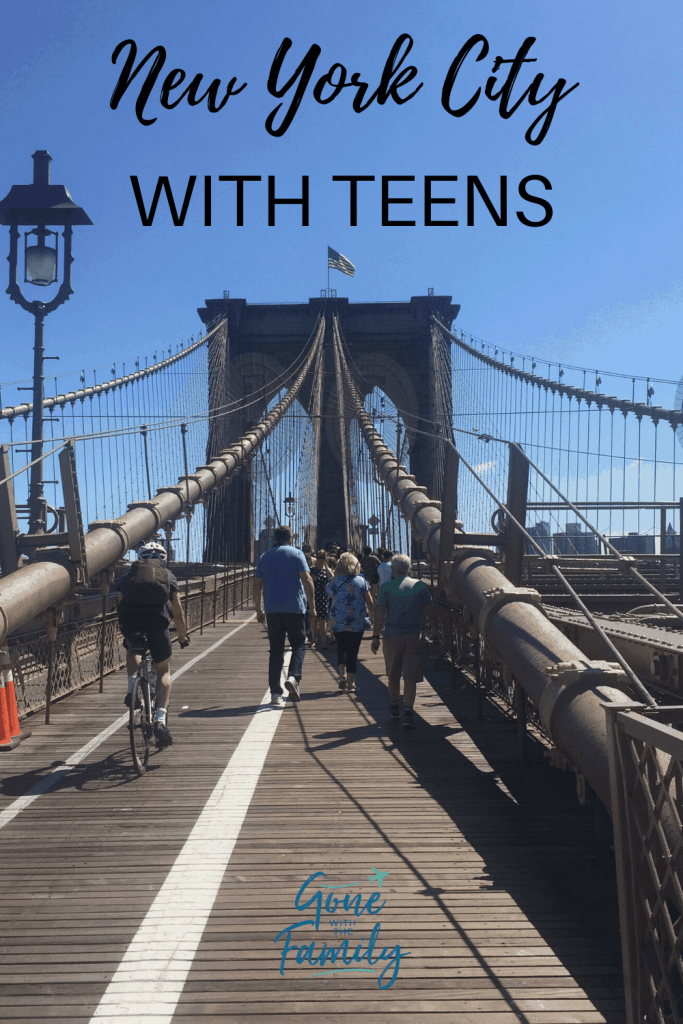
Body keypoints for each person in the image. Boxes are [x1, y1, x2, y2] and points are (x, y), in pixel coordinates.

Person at [117, 541, 190, 749]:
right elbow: (177, 611)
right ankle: (159, 720)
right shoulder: (168, 576)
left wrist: (127, 628)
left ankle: (132, 688)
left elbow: (120, 603)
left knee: (133, 648)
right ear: (164, 559)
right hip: (157, 623)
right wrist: (183, 638)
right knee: (163, 671)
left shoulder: (129, 575)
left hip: (132, 621)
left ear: (140, 558)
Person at [253, 525, 316, 706]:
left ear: (274, 538)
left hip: (273, 610)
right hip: (295, 609)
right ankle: (294, 677)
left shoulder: (265, 556)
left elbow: (257, 584)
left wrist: (259, 609)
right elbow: (307, 580)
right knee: (298, 644)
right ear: (291, 538)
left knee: (276, 651)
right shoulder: (297, 554)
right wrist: (313, 608)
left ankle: (275, 693)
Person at [371, 552, 435, 728]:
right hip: (414, 636)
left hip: (392, 636)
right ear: (410, 569)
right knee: (410, 676)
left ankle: (394, 706)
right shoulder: (420, 586)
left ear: (393, 569)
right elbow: (430, 612)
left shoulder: (386, 588)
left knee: (393, 675)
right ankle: (408, 712)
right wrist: (435, 633)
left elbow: (379, 615)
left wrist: (375, 636)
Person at [326, 552, 374, 694]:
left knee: (341, 648)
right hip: (357, 621)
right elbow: (370, 602)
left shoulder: (333, 582)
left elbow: (329, 593)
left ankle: (342, 675)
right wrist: (373, 617)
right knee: (353, 652)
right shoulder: (361, 581)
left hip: (338, 620)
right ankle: (351, 684)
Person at [310, 549, 333, 648]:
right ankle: (314, 640)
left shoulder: (326, 570)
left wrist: (326, 566)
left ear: (325, 558)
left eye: (322, 558)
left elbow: (332, 578)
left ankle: (323, 642)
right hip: (313, 597)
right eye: (318, 557)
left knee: (322, 620)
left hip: (323, 597)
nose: (320, 559)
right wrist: (311, 578)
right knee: (313, 620)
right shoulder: (311, 570)